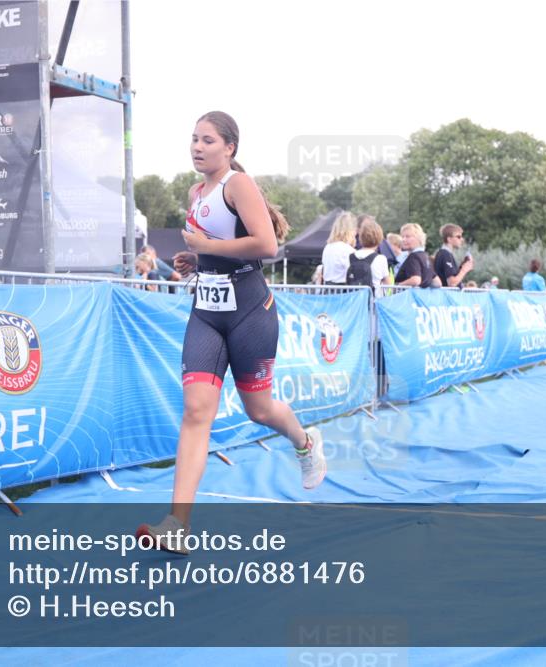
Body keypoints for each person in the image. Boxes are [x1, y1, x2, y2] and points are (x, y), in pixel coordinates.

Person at [137, 111, 325, 554]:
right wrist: (197, 262)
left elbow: (266, 246)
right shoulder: (195, 191)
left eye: (207, 140)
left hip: (249, 310)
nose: (197, 147)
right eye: (193, 139)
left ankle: (304, 441)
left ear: (229, 148)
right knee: (196, 410)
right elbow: (212, 250)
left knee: (259, 410)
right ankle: (177, 525)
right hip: (206, 310)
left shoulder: (238, 185)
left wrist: (206, 248)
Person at [349, 219, 392, 297]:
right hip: (373, 299)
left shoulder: (351, 256)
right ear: (379, 238)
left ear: (360, 237)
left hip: (355, 300)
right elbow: (387, 283)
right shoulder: (381, 258)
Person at [394, 223, 440, 288]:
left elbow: (416, 280)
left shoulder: (413, 256)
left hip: (409, 296)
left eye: (408, 236)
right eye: (402, 237)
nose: (403, 239)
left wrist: (398, 285)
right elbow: (437, 283)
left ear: (419, 238)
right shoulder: (425, 256)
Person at [320, 211, 357, 285]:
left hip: (328, 289)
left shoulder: (327, 247)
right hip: (343, 291)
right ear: (351, 230)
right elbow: (353, 273)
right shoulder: (348, 250)